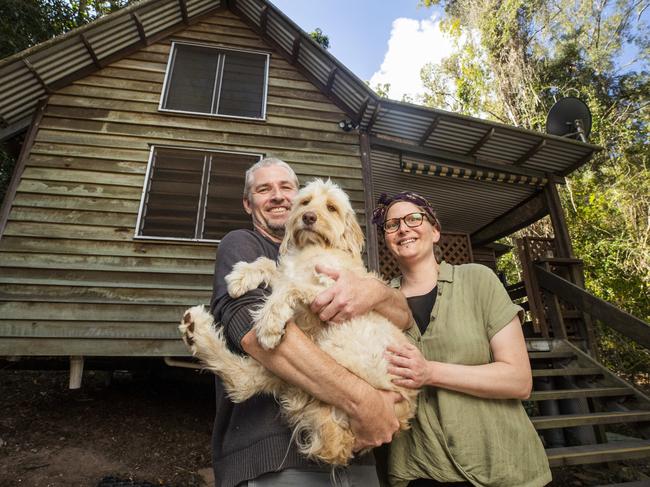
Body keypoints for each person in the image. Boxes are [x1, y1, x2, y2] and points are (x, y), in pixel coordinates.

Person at [209, 158, 413, 487]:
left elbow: (403, 317)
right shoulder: (241, 243)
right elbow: (252, 334)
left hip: (358, 449)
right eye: (264, 189)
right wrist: (368, 403)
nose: (278, 196)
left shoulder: (341, 262)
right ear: (248, 203)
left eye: (287, 188)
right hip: (278, 456)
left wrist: (376, 292)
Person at [371, 192, 552, 487]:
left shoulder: (478, 280)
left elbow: (519, 380)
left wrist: (429, 372)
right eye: (391, 225)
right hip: (420, 470)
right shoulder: (378, 301)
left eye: (414, 218)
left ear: (435, 230)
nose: (403, 228)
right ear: (387, 239)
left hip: (503, 467)